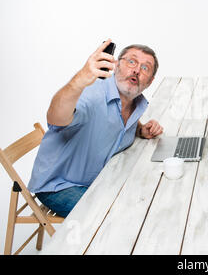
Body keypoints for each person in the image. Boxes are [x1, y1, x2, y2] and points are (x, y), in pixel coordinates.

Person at [28, 39, 164, 217]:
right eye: (131, 61)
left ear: (151, 81)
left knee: (148, 199)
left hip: (99, 181)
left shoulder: (134, 105)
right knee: (116, 218)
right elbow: (56, 117)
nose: (137, 70)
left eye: (145, 68)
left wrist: (140, 129)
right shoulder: (90, 94)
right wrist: (80, 79)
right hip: (60, 186)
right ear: (116, 65)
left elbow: (116, 124)